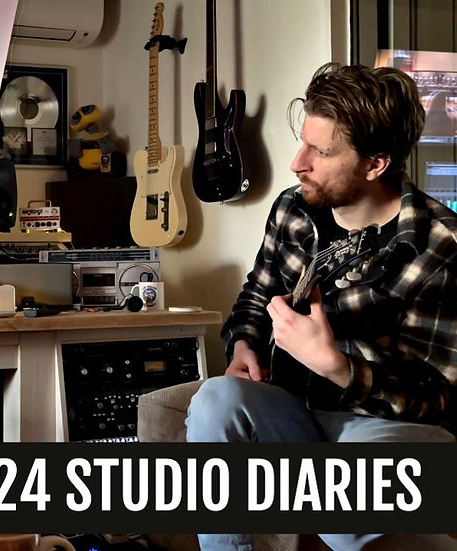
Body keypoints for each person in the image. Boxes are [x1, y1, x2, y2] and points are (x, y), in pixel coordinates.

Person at [185, 63, 457, 550]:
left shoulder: (439, 245)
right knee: (214, 399)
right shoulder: (293, 208)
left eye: (321, 151)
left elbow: (438, 395)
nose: (297, 163)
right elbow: (257, 292)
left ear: (375, 164)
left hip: (386, 426)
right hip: (295, 407)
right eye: (303, 142)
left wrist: (338, 367)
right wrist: (244, 343)